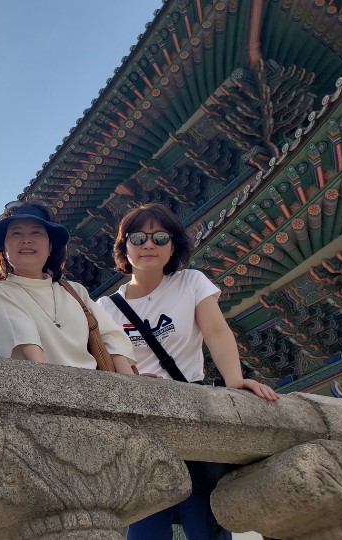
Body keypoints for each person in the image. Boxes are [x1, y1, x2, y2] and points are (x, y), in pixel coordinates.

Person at [96, 203, 279, 540]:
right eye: (138, 237)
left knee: (204, 523)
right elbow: (104, 363)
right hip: (142, 422)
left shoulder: (191, 282)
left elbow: (216, 332)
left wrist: (235, 381)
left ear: (173, 246)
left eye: (159, 237)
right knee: (144, 528)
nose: (148, 244)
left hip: (191, 413)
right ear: (124, 246)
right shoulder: (105, 307)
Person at [0, 201, 135, 374]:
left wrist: (130, 384)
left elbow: (111, 338)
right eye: (16, 233)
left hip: (97, 385)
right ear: (3, 247)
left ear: (50, 246)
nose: (26, 240)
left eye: (36, 232)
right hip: (41, 384)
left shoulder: (75, 291)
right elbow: (25, 341)